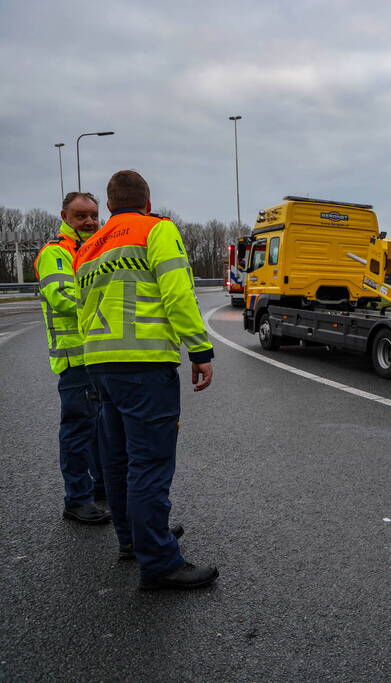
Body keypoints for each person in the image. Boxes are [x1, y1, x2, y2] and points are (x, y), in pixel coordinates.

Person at [74, 170, 218, 590]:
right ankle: (159, 563)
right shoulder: (156, 229)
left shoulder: (89, 248)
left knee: (117, 464)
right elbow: (177, 293)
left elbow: (83, 309)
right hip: (144, 363)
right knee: (149, 465)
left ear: (110, 203)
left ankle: (133, 542)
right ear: (147, 200)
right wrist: (200, 349)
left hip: (99, 363)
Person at [33, 192, 110, 525]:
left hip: (97, 355)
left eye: (93, 215)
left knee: (98, 429)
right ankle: (76, 500)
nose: (90, 221)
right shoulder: (56, 253)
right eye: (81, 216)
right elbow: (64, 298)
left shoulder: (93, 249)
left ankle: (101, 490)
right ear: (64, 216)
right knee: (78, 430)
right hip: (75, 358)